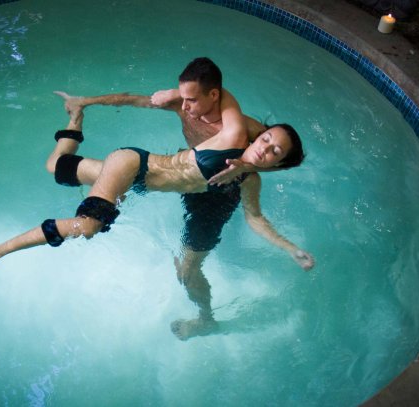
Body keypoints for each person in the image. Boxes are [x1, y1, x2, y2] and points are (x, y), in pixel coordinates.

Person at [0, 77, 315, 338]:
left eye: (274, 152)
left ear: (276, 165)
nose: (265, 148)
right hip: (134, 166)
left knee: (56, 168)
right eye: (267, 139)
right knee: (87, 226)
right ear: (261, 132)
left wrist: (291, 248)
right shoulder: (228, 133)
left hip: (161, 186)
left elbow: (254, 218)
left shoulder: (249, 180)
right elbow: (215, 94)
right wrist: (175, 95)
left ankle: (205, 319)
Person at [45, 58, 299, 339]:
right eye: (184, 98)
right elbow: (134, 100)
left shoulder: (243, 135)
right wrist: (85, 102)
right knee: (58, 167)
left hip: (213, 198)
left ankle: (206, 320)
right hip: (176, 172)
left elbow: (257, 184)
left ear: (212, 95)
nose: (186, 105)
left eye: (191, 98)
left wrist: (288, 246)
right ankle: (81, 132)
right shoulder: (185, 105)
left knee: (186, 272)